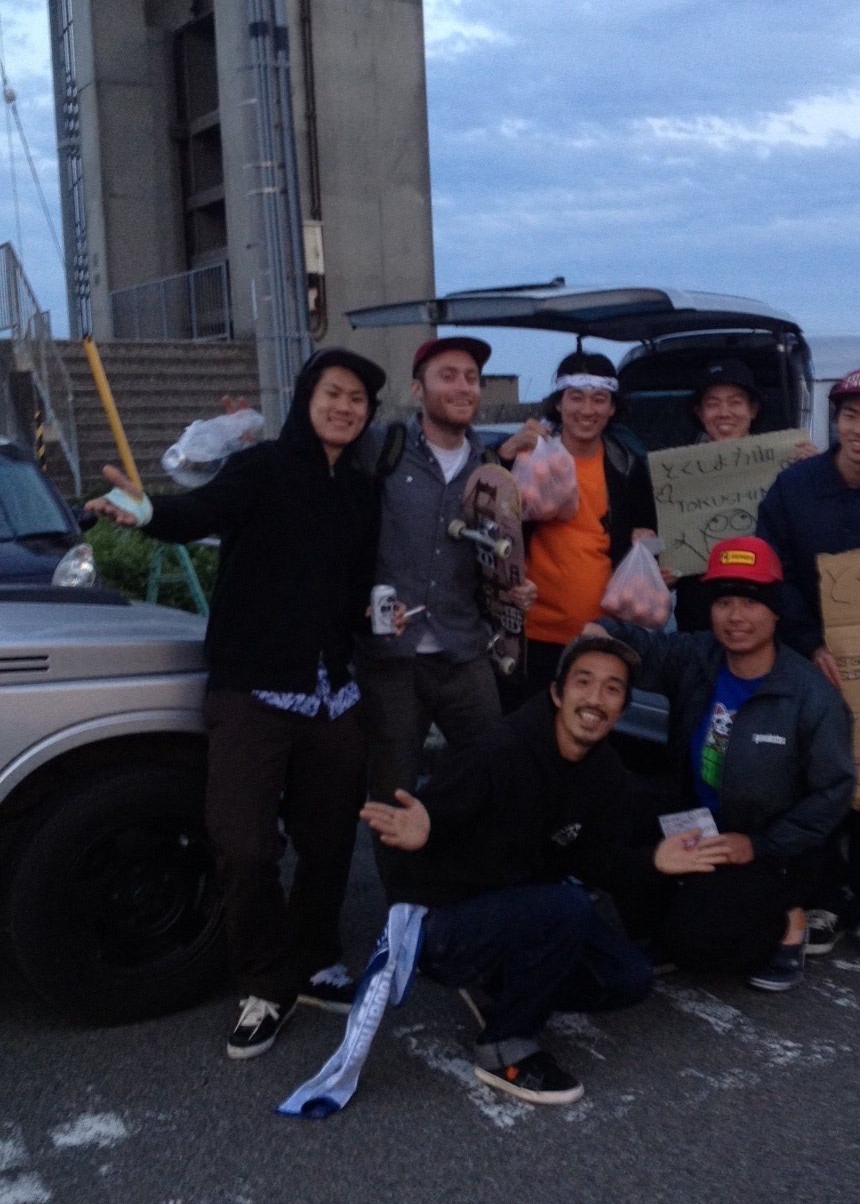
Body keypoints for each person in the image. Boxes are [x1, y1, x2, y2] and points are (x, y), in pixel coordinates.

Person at [88, 348, 389, 1060]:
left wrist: (377, 612)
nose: (345, 407)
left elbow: (355, 586)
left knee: (330, 840)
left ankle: (315, 955)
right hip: (251, 688)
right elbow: (198, 512)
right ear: (307, 397)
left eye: (358, 400)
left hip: (331, 692)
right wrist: (147, 511)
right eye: (334, 392)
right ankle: (264, 981)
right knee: (244, 844)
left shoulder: (361, 491)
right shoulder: (261, 467)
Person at [360, 635, 717, 1106]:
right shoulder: (495, 750)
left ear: (623, 707)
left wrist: (654, 860)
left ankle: (501, 985)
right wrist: (427, 825)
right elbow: (424, 822)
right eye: (583, 682)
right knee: (567, 906)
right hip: (442, 921)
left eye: (612, 689)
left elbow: (597, 862)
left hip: (522, 912)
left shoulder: (606, 771)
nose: (595, 698)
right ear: (557, 692)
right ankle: (504, 1047)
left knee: (628, 978)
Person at [591, 537, 856, 992]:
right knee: (612, 818)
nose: (735, 616)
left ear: (775, 611)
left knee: (696, 941)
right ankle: (661, 930)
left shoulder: (810, 695)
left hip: (775, 852)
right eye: (724, 602)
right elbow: (643, 647)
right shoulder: (700, 656)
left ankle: (786, 923)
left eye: (751, 602)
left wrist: (760, 844)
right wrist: (598, 630)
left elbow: (835, 793)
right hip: (702, 825)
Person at [756, 367, 860, 964]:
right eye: (850, 415)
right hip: (807, 659)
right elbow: (773, 568)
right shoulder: (793, 486)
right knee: (813, 780)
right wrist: (810, 642)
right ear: (836, 420)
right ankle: (823, 900)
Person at [355, 336, 536, 830]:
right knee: (391, 796)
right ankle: (401, 884)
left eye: (471, 378)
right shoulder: (380, 447)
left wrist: (514, 588)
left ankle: (470, 876)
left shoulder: (491, 469)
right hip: (389, 659)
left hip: (464, 651)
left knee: (492, 778)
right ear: (418, 389)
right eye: (448, 376)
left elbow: (498, 557)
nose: (463, 387)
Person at [498, 350, 661, 695]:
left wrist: (647, 543)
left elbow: (654, 539)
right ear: (558, 403)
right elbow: (486, 512)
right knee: (530, 724)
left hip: (601, 635)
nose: (587, 410)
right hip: (532, 635)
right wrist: (505, 454)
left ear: (612, 408)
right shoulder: (530, 459)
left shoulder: (628, 466)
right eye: (576, 397)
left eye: (599, 399)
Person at [675, 358, 818, 631]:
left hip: (768, 609)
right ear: (700, 412)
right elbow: (662, 544)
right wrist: (657, 561)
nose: (724, 413)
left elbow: (811, 533)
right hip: (698, 617)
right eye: (713, 403)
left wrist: (818, 474)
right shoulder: (674, 475)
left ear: (753, 409)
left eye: (735, 402)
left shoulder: (790, 466)